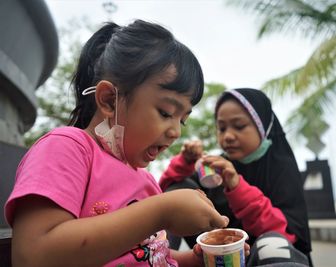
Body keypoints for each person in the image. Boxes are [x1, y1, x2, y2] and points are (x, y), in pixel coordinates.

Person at [4, 20, 232, 267]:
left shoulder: (145, 181)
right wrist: (161, 211)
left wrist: (195, 260)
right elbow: (33, 255)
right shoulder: (67, 148)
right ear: (110, 100)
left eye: (183, 120)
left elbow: (148, 253)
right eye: (166, 112)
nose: (176, 131)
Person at [160, 88, 313, 266]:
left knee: (272, 243)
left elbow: (287, 233)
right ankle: (158, 258)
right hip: (220, 257)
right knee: (181, 189)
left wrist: (237, 186)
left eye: (239, 126)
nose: (228, 136)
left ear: (263, 126)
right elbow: (163, 193)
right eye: (221, 128)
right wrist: (184, 162)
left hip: (269, 258)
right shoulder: (217, 168)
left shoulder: (281, 168)